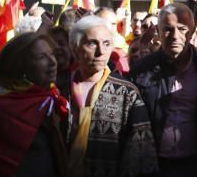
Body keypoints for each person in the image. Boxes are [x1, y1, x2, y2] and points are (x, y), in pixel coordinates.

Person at [129, 2, 197, 175]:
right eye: (168, 29)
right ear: (157, 31)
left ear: (192, 31)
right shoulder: (141, 70)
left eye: (182, 29)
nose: (175, 36)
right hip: (154, 165)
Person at [0, 32, 68, 176]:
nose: (53, 62)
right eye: (42, 57)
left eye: (52, 54)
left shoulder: (51, 96)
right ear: (20, 65)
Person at [67, 16, 157, 176]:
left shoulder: (127, 92)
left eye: (106, 44)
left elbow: (140, 151)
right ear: (75, 48)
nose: (100, 51)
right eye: (91, 43)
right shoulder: (59, 90)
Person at [47, 26, 75, 98]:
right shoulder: (44, 78)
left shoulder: (80, 73)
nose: (57, 48)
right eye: (52, 45)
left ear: (70, 46)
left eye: (61, 43)